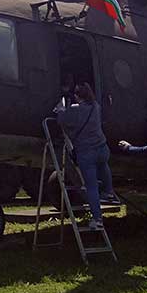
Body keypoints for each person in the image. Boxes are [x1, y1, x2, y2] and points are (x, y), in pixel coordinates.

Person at [55, 82, 118, 232]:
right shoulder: (96, 107)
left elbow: (62, 120)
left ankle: (97, 220)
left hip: (86, 152)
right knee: (103, 166)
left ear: (77, 96)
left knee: (91, 187)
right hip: (102, 148)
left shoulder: (75, 111)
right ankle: (109, 192)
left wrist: (60, 110)